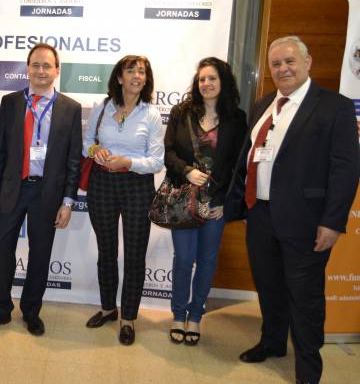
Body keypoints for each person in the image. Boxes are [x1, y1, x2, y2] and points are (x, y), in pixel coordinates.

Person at [225, 36, 359, 384]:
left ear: (308, 61)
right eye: (276, 64)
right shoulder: (264, 104)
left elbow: (346, 168)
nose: (283, 68)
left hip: (307, 221)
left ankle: (308, 369)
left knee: (305, 296)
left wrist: (332, 222)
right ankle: (272, 342)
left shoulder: (335, 106)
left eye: (290, 61)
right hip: (260, 215)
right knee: (268, 286)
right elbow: (250, 157)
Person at [0, 43, 82, 336]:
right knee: (1, 253)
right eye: (36, 65)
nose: (41, 70)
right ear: (28, 68)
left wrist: (68, 202)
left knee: (40, 255)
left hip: (48, 193)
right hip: (12, 189)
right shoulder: (11, 102)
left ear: (57, 71)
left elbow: (74, 160)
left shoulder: (70, 108)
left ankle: (31, 311)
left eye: (47, 65)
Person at [164, 57, 247, 346]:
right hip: (183, 200)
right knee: (184, 259)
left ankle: (196, 316)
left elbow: (238, 165)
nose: (206, 83)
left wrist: (224, 201)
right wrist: (187, 170)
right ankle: (178, 314)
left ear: (223, 82)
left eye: (212, 78)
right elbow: (168, 153)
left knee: (207, 261)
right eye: (202, 79)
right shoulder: (181, 112)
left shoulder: (237, 119)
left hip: (215, 203)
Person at [82, 55, 164, 345]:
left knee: (134, 254)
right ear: (119, 77)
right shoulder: (102, 107)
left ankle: (128, 317)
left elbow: (157, 161)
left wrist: (128, 162)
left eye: (142, 72)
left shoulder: (151, 114)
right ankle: (108, 308)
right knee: (106, 251)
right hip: (102, 183)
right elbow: (86, 143)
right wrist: (96, 151)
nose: (137, 76)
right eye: (131, 71)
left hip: (137, 186)